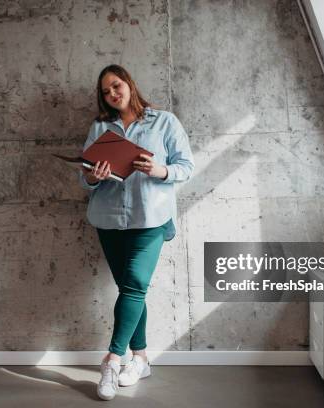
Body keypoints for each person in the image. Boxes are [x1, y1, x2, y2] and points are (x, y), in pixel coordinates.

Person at [79, 64, 194, 400]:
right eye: (106, 91)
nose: (113, 94)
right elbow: (83, 176)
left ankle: (112, 360)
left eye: (116, 86)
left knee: (135, 286)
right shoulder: (100, 127)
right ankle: (140, 358)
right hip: (109, 219)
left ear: (129, 83)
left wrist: (160, 170)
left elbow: (187, 166)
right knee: (131, 289)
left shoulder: (164, 121)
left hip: (151, 219)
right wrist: (93, 176)